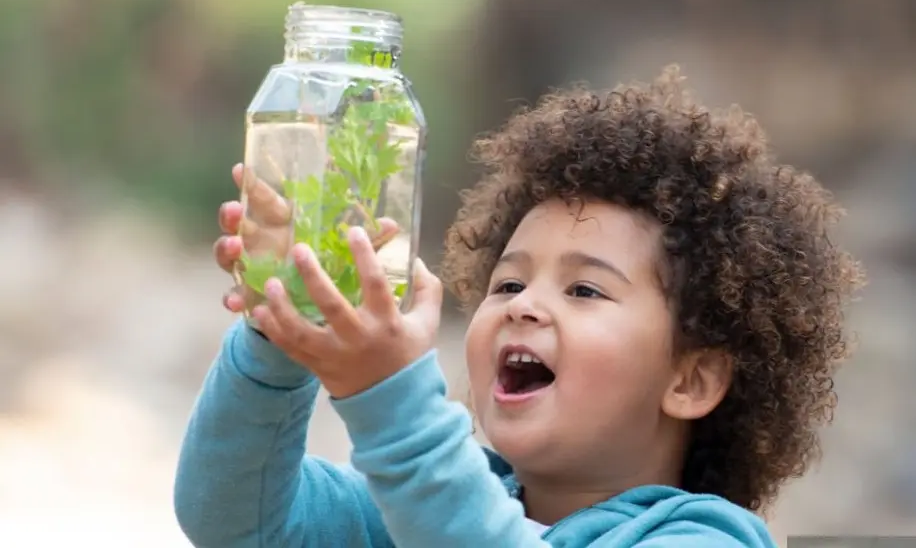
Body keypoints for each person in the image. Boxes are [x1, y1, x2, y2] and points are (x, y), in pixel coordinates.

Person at [173, 65, 864, 547]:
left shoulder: (704, 538)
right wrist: (277, 335)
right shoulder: (414, 511)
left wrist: (391, 400)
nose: (524, 306)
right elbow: (235, 519)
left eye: (585, 290)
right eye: (507, 283)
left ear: (691, 380)